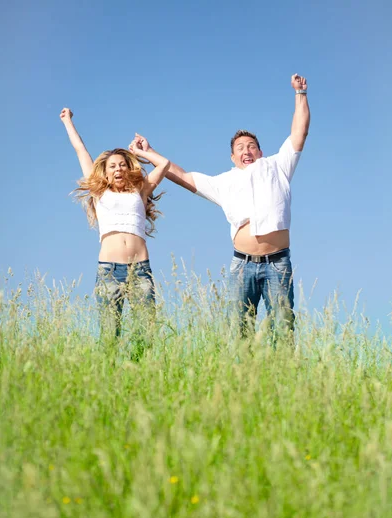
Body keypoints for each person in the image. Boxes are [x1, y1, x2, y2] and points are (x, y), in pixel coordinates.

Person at [131, 74, 310, 335]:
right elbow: (183, 176)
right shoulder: (223, 182)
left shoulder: (277, 166)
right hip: (242, 266)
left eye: (251, 146)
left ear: (260, 152)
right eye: (240, 147)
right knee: (239, 332)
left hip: (278, 264)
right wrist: (150, 151)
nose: (246, 150)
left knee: (283, 329)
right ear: (232, 156)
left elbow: (299, 132)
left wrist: (300, 94)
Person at [59, 108, 170, 337]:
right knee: (110, 336)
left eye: (122, 164)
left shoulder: (141, 191)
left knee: (146, 335)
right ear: (105, 173)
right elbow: (81, 150)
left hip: (140, 270)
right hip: (109, 270)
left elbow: (164, 165)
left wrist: (143, 150)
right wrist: (67, 121)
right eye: (112, 166)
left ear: (129, 169)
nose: (118, 168)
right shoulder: (100, 193)